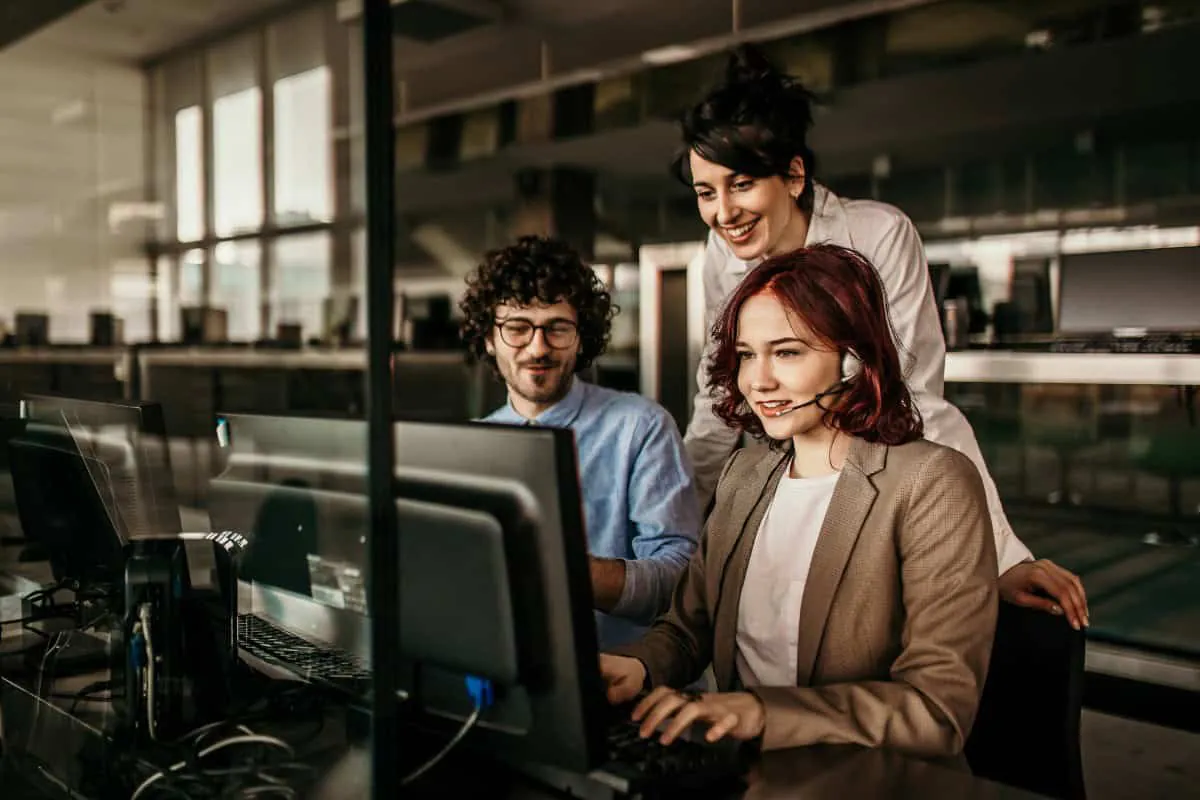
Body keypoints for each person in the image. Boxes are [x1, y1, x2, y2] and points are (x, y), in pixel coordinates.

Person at [676, 45, 1088, 630]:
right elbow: (718, 400)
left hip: (877, 484)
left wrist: (1004, 556)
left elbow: (918, 399)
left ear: (794, 174)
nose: (723, 213)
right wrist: (676, 526)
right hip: (783, 482)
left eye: (740, 185)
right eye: (705, 193)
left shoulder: (878, 234)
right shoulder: (723, 254)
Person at [601, 245, 998, 757]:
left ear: (853, 361)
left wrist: (764, 713)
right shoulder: (746, 473)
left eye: (787, 352)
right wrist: (637, 666)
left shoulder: (931, 483)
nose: (758, 381)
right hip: (746, 768)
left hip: (869, 782)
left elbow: (936, 710)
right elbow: (688, 627)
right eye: (746, 355)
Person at [459, 235, 701, 649]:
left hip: (623, 684)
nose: (538, 348)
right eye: (517, 328)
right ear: (488, 337)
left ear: (582, 337)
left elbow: (680, 582)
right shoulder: (470, 444)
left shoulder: (640, 427)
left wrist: (565, 570)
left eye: (557, 328)